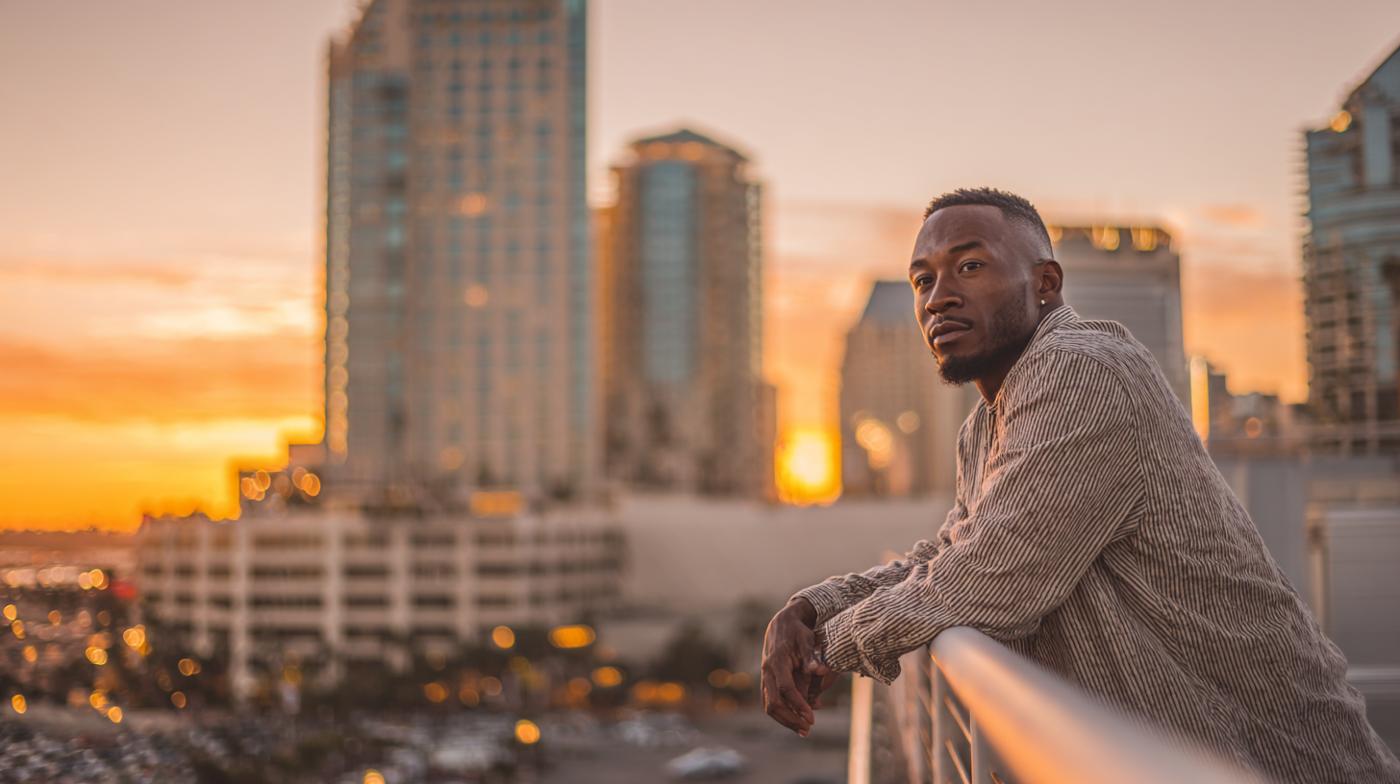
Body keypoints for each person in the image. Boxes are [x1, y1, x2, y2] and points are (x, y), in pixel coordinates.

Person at [760, 188, 1400, 783]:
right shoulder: (991, 420)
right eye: (923, 279)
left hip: (1277, 763)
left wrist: (825, 647)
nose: (938, 297)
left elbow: (991, 577)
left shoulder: (1082, 371)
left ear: (1045, 283)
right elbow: (950, 553)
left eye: (970, 267)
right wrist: (814, 606)